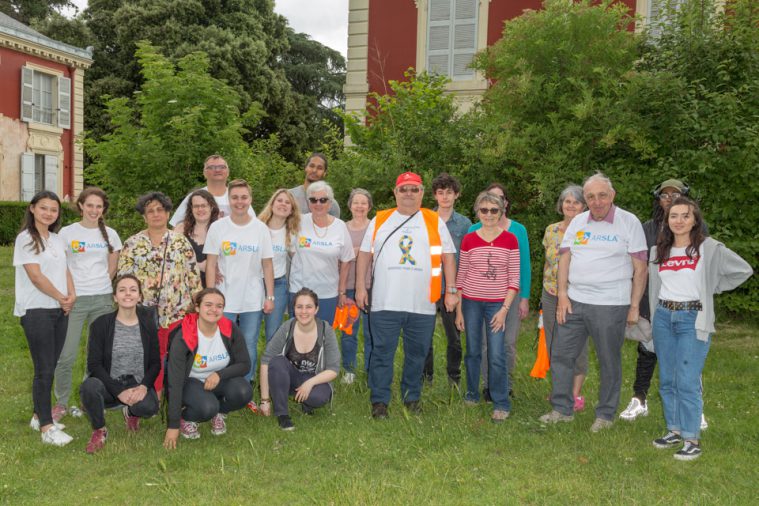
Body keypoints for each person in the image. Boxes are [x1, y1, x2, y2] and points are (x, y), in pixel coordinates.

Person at [540, 173, 647, 432]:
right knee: (562, 355)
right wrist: (563, 295)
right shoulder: (578, 221)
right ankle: (562, 409)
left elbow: (640, 268)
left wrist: (634, 306)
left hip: (611, 304)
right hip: (575, 301)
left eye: (602, 195)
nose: (596, 201)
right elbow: (564, 259)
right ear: (585, 199)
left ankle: (605, 414)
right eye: (590, 196)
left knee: (608, 359)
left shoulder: (628, 222)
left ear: (612, 196)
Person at [649, 197, 751, 460]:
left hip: (691, 318)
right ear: (667, 219)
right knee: (668, 378)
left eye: (685, 215)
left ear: (695, 220)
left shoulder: (709, 248)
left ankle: (691, 438)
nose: (679, 221)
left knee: (687, 379)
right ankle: (673, 429)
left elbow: (743, 270)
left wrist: (710, 286)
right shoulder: (659, 249)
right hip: (663, 316)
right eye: (674, 216)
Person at [355, 172, 458, 419]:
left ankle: (411, 398)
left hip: (422, 302)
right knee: (382, 353)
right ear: (395, 192)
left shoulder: (433, 220)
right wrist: (360, 287)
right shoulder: (381, 219)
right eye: (404, 189)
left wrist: (451, 290)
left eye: (414, 189)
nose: (409, 193)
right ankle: (379, 401)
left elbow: (448, 256)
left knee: (417, 353)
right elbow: (364, 255)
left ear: (422, 193)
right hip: (385, 301)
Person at [619, 179, 709, 426]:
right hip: (652, 299)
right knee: (647, 351)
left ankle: (694, 408)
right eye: (664, 195)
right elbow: (636, 264)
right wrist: (634, 301)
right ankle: (639, 399)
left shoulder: (698, 229)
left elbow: (708, 266)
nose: (669, 199)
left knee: (688, 358)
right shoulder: (646, 228)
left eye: (675, 194)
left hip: (687, 305)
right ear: (658, 199)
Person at [118, 192, 202, 393]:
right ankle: (147, 393)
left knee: (175, 356)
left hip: (177, 312)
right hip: (143, 313)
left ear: (167, 213)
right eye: (150, 211)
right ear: (144, 216)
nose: (156, 214)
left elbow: (193, 275)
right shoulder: (132, 243)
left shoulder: (180, 242)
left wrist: (196, 306)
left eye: (160, 210)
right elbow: (123, 277)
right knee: (147, 355)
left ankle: (172, 394)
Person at [54, 187, 122, 422]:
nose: (94, 210)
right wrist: (69, 294)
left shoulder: (111, 235)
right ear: (81, 205)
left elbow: (112, 268)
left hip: (102, 299)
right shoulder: (67, 233)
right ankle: (61, 403)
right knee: (67, 354)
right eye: (90, 205)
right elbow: (61, 266)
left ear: (103, 209)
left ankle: (89, 399)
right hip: (74, 299)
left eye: (99, 206)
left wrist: (103, 286)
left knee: (97, 356)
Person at [14, 190, 76, 446]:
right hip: (37, 309)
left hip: (60, 309)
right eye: (44, 208)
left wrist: (72, 295)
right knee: (44, 369)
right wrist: (61, 296)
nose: (49, 213)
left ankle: (38, 415)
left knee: (51, 363)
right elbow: (36, 276)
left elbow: (65, 269)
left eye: (53, 209)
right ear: (32, 209)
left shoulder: (57, 239)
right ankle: (47, 428)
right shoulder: (25, 238)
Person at [454, 191, 520, 423]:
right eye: (484, 210)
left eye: (494, 210)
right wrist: (460, 310)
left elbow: (514, 279)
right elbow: (461, 277)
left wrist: (504, 310)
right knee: (472, 350)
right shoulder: (469, 239)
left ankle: (501, 402)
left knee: (496, 353)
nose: (489, 215)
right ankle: (471, 393)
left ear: (501, 211)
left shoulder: (510, 239)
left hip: (497, 305)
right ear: (477, 212)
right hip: (471, 302)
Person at [205, 179, 274, 392]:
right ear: (229, 200)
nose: (239, 201)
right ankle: (220, 382)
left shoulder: (260, 229)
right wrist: (210, 298)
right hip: (224, 297)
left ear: (250, 200)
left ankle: (246, 384)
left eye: (244, 197)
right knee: (221, 343)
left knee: (249, 343)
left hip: (252, 298)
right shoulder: (218, 227)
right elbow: (211, 264)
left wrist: (269, 296)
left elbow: (267, 265)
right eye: (235, 197)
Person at [80, 275, 160, 454]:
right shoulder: (101, 324)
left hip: (136, 384)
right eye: (122, 290)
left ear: (140, 296)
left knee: (150, 407)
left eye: (133, 290)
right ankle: (100, 430)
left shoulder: (148, 323)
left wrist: (144, 387)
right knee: (89, 387)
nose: (128, 294)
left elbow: (155, 363)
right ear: (115, 297)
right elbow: (94, 364)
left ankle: (131, 414)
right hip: (110, 384)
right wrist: (118, 391)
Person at [164, 288, 253, 448]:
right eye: (208, 305)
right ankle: (187, 418)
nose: (214, 309)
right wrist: (173, 426)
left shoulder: (229, 328)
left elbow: (245, 364)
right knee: (207, 408)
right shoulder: (184, 336)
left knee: (244, 391)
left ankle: (219, 412)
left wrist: (219, 374)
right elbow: (174, 384)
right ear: (197, 307)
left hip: (218, 380)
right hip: (191, 382)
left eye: (219, 306)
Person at [469, 183, 530, 399]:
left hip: (511, 295)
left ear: (505, 203)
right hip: (483, 296)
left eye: (499, 199)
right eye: (489, 200)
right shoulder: (473, 230)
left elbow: (525, 265)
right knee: (487, 342)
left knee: (508, 342)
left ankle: (506, 384)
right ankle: (488, 385)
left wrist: (525, 298)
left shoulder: (518, 230)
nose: (493, 205)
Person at [259, 288, 340, 431]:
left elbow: (333, 369)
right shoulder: (287, 327)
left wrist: (310, 383)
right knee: (277, 362)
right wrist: (265, 400)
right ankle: (282, 415)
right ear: (293, 309)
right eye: (299, 307)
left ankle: (307, 404)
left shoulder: (326, 330)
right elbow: (266, 360)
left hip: (314, 379)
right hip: (289, 378)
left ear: (316, 309)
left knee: (319, 397)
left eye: (309, 307)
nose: (304, 312)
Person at [541, 185, 589, 411]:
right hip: (550, 294)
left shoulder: (588, 231)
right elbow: (547, 262)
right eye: (567, 201)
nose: (570, 205)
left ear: (584, 206)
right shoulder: (551, 230)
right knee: (554, 343)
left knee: (576, 344)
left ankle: (575, 393)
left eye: (576, 202)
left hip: (577, 295)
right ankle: (560, 389)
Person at [423, 173, 471, 385]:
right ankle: (426, 377)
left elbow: (467, 257)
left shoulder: (464, 223)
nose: (445, 197)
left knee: (454, 336)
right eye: (440, 193)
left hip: (453, 288)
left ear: (456, 195)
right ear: (434, 196)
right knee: (425, 333)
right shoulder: (424, 220)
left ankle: (454, 377)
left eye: (449, 193)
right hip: (427, 285)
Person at [289, 181, 354, 325]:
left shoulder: (340, 226)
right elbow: (292, 253)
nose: (318, 203)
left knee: (323, 336)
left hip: (327, 293)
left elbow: (346, 261)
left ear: (330, 203)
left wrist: (342, 291)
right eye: (313, 200)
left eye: (323, 200)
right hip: (299, 290)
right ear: (308, 202)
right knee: (297, 336)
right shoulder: (298, 222)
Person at [257, 189, 301, 342]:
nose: (283, 204)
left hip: (278, 285)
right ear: (272, 204)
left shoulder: (292, 233)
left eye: (287, 202)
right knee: (250, 331)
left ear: (291, 210)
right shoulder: (257, 226)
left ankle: (270, 365)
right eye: (280, 200)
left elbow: (299, 260)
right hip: (254, 283)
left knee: (274, 334)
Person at [341, 188, 374, 384]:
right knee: (348, 332)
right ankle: (349, 370)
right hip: (348, 286)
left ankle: (371, 369)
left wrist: (355, 252)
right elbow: (338, 256)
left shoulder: (376, 227)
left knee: (372, 332)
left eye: (363, 203)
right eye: (356, 202)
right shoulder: (341, 228)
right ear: (350, 205)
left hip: (371, 286)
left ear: (369, 206)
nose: (359, 206)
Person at [169, 154, 254, 226]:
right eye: (212, 167)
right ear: (204, 173)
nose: (217, 170)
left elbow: (253, 225)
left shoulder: (239, 197)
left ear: (228, 172)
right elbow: (176, 227)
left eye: (222, 167)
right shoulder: (194, 197)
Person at [173, 189, 221, 288]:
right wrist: (200, 265)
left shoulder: (222, 230)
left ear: (211, 207)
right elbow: (172, 259)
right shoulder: (180, 230)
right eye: (196, 206)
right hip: (186, 288)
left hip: (215, 288)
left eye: (203, 205)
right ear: (191, 209)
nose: (200, 209)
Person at [289, 152, 340, 218]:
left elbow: (335, 227)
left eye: (319, 168)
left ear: (324, 173)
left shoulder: (331, 204)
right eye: (311, 166)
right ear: (306, 168)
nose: (314, 170)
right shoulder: (289, 196)